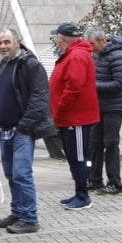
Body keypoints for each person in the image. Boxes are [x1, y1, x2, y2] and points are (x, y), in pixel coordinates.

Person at [0, 28, 54, 234]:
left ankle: (29, 217)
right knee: (11, 174)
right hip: (5, 130)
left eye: (7, 42)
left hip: (22, 130)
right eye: (0, 43)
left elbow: (40, 98)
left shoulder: (30, 65)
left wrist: (25, 126)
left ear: (19, 41)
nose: (3, 46)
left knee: (21, 174)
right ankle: (18, 212)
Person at [48, 22, 100, 211]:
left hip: (75, 117)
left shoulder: (76, 55)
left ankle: (83, 195)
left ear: (61, 38)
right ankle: (79, 191)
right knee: (74, 156)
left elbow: (73, 87)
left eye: (57, 37)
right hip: (71, 117)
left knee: (78, 156)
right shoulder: (74, 54)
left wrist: (60, 109)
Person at [85, 27, 122, 195]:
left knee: (110, 144)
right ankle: (95, 179)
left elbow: (119, 84)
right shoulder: (97, 55)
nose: (91, 47)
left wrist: (92, 87)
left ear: (103, 41)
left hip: (113, 107)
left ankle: (115, 182)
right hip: (98, 106)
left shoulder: (118, 56)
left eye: (93, 44)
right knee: (94, 144)